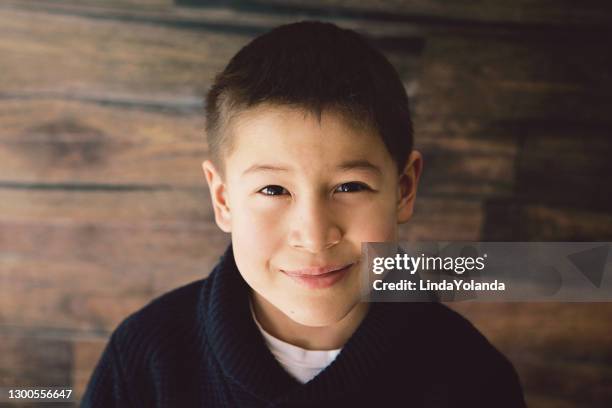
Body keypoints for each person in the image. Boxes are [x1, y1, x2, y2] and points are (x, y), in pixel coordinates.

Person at [81, 21, 526, 407]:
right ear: (223, 199)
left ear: (404, 189)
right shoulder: (146, 356)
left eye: (350, 187)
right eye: (273, 189)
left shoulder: (472, 377)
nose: (314, 236)